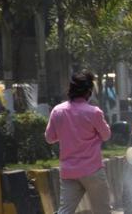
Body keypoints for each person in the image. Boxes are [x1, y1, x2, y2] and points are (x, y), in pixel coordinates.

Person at [45, 70, 112, 214]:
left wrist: (66, 135)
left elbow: (50, 138)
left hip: (69, 171)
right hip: (92, 171)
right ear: (89, 91)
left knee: (65, 211)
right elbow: (106, 136)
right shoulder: (94, 112)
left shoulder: (57, 111)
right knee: (103, 210)